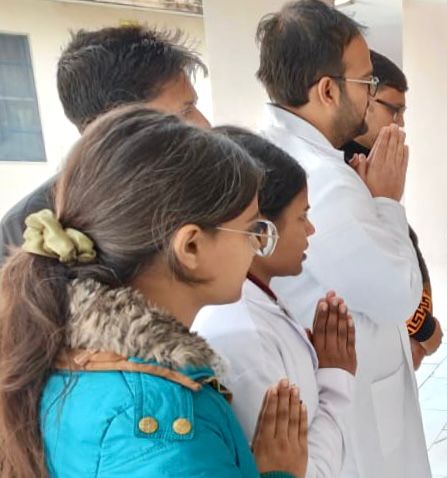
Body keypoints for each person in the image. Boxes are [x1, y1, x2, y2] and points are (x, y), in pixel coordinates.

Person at [0, 107, 306, 477]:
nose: (258, 244)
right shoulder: (164, 430)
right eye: (251, 228)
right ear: (191, 247)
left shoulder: (66, 354)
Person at [255, 2, 429, 476]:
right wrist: (387, 202)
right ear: (328, 90)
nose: (373, 96)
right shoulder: (324, 182)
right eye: (367, 82)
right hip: (357, 417)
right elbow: (399, 297)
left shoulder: (282, 150)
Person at [193, 127, 358, 477]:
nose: (310, 230)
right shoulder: (240, 334)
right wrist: (335, 381)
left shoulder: (256, 300)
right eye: (302, 216)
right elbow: (300, 472)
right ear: (260, 229)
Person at [0, 25, 210, 266]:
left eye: (193, 106)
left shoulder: (197, 194)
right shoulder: (27, 230)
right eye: (183, 113)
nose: (204, 125)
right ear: (110, 125)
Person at [339, 50, 442, 370]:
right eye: (393, 110)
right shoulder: (343, 174)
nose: (400, 123)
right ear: (361, 97)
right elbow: (377, 263)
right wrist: (422, 329)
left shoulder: (366, 159)